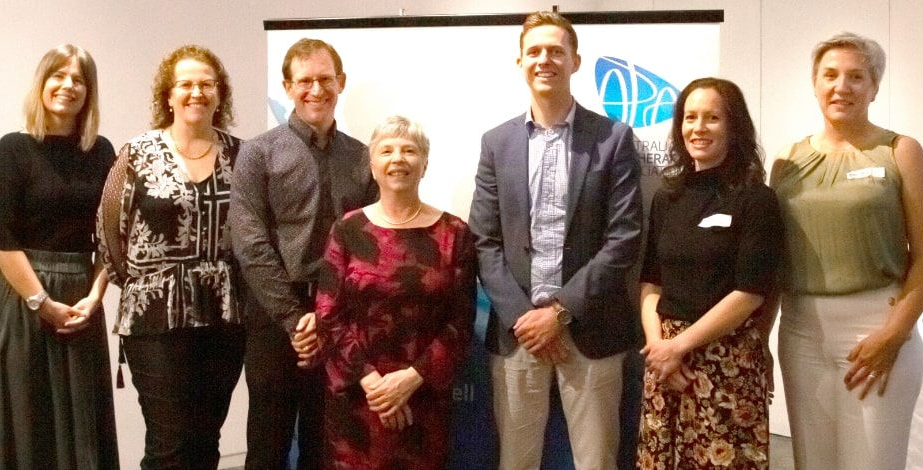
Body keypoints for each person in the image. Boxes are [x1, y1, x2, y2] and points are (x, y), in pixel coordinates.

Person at [468, 11, 643, 470]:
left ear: (576, 61)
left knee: (596, 463)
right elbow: (483, 241)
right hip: (517, 333)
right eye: (535, 52)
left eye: (556, 51)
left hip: (592, 330)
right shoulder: (496, 143)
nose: (545, 60)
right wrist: (527, 318)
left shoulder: (614, 138)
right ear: (520, 61)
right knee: (517, 462)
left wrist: (560, 312)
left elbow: (623, 238)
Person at [771, 31, 923, 470]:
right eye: (831, 75)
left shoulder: (902, 151)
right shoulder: (787, 159)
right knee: (812, 461)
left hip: (875, 328)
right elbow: (772, 259)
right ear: (815, 83)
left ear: (874, 87)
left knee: (872, 463)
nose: (842, 87)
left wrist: (894, 334)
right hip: (800, 331)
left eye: (856, 76)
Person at [229, 38, 379, 469]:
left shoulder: (363, 157)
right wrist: (296, 322)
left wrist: (327, 315)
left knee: (327, 443)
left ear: (341, 82)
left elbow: (368, 245)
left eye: (325, 79)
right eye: (305, 81)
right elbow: (251, 243)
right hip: (275, 314)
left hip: (342, 315)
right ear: (287, 87)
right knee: (268, 442)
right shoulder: (257, 153)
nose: (317, 90)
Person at [299, 115, 477, 469]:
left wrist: (409, 381)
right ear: (373, 166)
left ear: (424, 164)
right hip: (357, 399)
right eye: (387, 150)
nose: (398, 158)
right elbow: (329, 315)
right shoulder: (348, 229)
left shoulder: (454, 233)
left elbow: (460, 323)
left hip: (422, 400)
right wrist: (375, 386)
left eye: (409, 150)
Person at [96, 44, 245, 469]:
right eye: (186, 84)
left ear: (219, 94)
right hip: (154, 318)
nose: (196, 92)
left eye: (206, 84)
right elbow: (108, 231)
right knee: (168, 442)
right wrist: (145, 284)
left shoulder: (243, 154)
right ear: (168, 94)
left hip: (224, 315)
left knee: (206, 438)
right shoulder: (136, 154)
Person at [636, 77, 784, 469]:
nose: (698, 128)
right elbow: (651, 282)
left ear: (734, 127)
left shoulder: (756, 198)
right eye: (690, 117)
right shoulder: (667, 197)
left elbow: (751, 292)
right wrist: (659, 349)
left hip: (727, 363)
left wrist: (678, 347)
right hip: (667, 366)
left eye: (712, 118)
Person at [0, 43, 119, 470]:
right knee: (29, 419)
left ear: (89, 92)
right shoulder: (12, 149)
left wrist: (95, 296)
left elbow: (110, 235)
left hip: (82, 299)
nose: (68, 86)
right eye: (59, 76)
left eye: (78, 79)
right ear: (42, 83)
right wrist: (40, 302)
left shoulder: (103, 151)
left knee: (83, 418)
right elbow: (2, 238)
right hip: (23, 299)